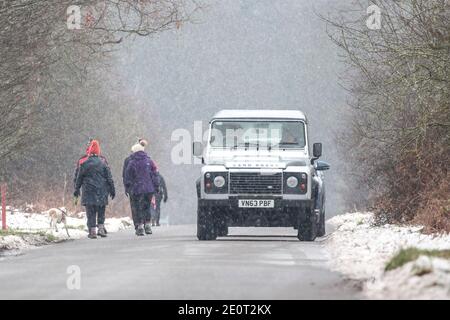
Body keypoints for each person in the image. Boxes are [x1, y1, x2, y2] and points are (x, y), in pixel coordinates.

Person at [74, 140, 115, 239]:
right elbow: (109, 178)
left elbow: (79, 178)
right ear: (98, 152)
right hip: (102, 191)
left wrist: (76, 189)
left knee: (90, 211)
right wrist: (112, 189)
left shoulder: (84, 164)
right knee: (101, 210)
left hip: (88, 191)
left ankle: (92, 231)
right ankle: (101, 228)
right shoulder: (103, 163)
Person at [123, 140, 160, 236]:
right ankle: (147, 225)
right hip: (148, 189)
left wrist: (128, 187)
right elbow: (155, 174)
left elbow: (127, 176)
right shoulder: (149, 161)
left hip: (137, 189)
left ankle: (140, 227)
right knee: (147, 207)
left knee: (138, 208)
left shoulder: (132, 163)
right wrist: (156, 186)